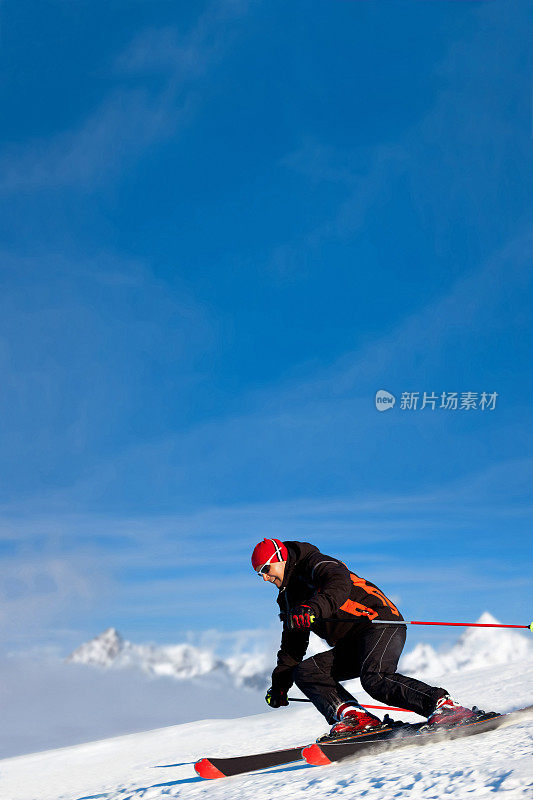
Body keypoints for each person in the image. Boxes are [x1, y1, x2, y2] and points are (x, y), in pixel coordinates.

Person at [252, 538, 477, 740]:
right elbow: (293, 645)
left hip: (379, 622)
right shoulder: (288, 599)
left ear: (280, 557)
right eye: (258, 573)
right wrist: (280, 686)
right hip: (352, 642)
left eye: (265, 568)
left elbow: (338, 583)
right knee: (307, 672)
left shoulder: (315, 563)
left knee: (375, 677)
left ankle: (443, 707)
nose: (264, 577)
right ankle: (356, 718)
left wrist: (312, 608)